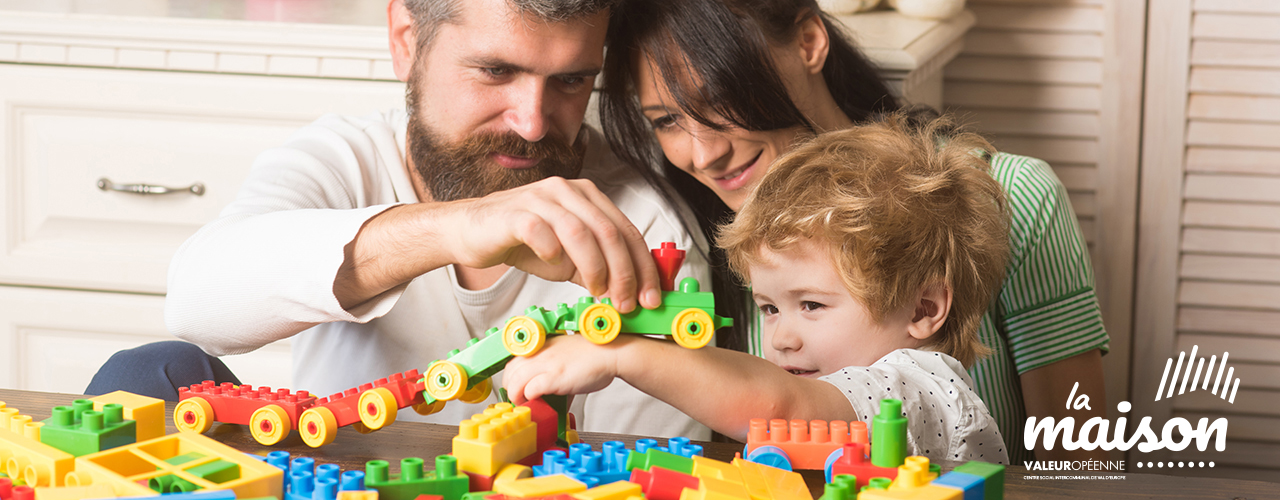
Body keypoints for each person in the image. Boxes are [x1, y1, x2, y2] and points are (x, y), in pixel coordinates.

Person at [86, 0, 714, 440]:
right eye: (496, 71)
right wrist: (451, 227)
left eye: (572, 81)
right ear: (407, 42)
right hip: (329, 478)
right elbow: (197, 302)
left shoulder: (644, 229)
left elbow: (643, 474)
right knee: (146, 376)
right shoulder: (344, 159)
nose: (532, 122)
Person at [596, 0, 1110, 461]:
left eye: (723, 97)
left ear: (808, 43)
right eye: (665, 121)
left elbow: (1077, 468)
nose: (704, 153)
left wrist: (624, 356)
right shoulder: (707, 237)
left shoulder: (1012, 196)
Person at [505, 116, 1011, 465]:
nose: (782, 338)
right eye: (769, 307)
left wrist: (624, 355)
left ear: (923, 309)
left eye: (811, 305)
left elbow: (783, 410)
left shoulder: (924, 390)